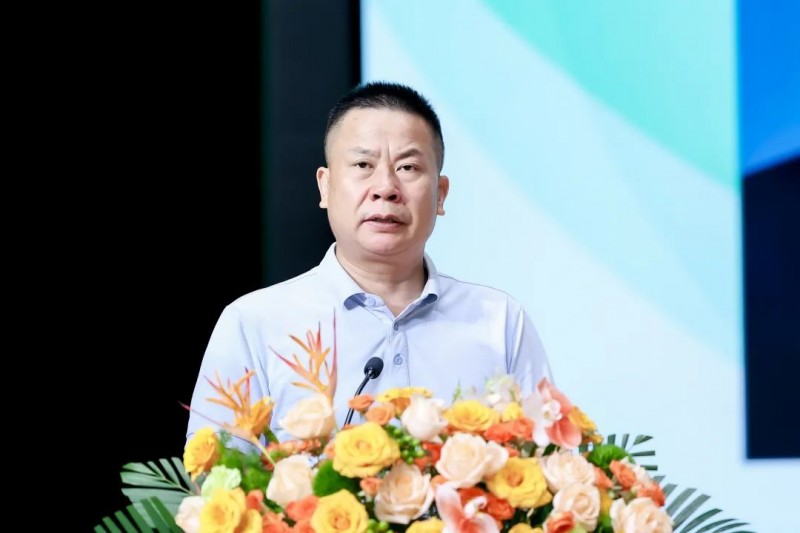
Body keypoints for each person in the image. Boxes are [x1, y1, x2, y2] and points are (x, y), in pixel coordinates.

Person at [186, 81, 551, 444]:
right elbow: (217, 475)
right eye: (363, 164)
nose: (386, 187)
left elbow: (548, 459)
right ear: (325, 186)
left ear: (440, 194)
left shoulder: (500, 321)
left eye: (408, 167)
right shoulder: (254, 324)